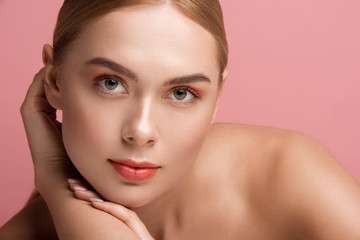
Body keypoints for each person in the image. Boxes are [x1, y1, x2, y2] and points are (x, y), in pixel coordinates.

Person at [1, 0, 360, 239]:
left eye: (181, 93)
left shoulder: (287, 176)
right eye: (111, 84)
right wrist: (57, 185)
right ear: (54, 82)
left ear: (217, 96)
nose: (141, 131)